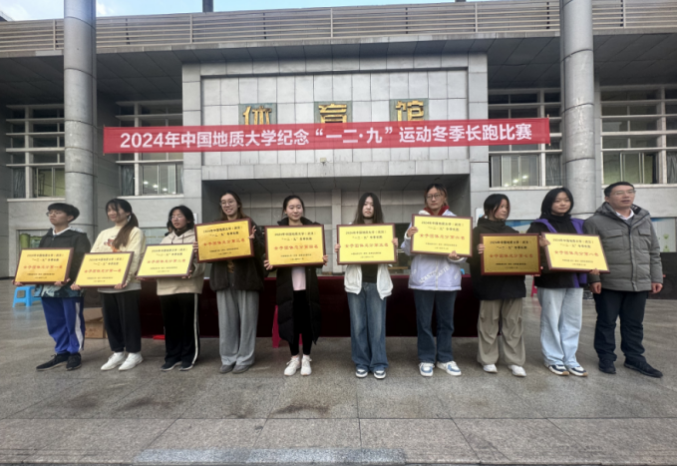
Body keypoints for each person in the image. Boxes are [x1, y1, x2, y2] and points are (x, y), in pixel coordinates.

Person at [584, 181, 664, 378]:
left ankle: (634, 358)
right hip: (609, 283)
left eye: (630, 192)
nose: (626, 196)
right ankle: (606, 357)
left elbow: (653, 251)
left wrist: (655, 277)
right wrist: (594, 278)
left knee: (634, 324)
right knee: (606, 322)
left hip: (639, 282)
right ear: (607, 198)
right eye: (619, 193)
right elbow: (590, 253)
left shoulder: (644, 219)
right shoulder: (594, 222)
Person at [15, 203, 91, 371]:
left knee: (72, 320)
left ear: (69, 217)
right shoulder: (46, 237)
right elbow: (38, 261)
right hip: (47, 287)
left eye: (57, 212)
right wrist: (23, 278)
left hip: (70, 287)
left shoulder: (78, 237)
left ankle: (74, 353)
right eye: (50, 212)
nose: (52, 215)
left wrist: (71, 278)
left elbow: (83, 260)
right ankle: (62, 352)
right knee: (54, 321)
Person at [74, 199, 146, 371]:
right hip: (105, 284)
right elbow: (93, 257)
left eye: (116, 210)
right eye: (109, 210)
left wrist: (126, 277)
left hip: (126, 285)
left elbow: (135, 255)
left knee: (129, 320)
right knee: (111, 320)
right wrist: (82, 279)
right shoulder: (104, 233)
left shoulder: (135, 232)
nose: (112, 213)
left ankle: (134, 353)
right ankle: (118, 352)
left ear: (127, 212)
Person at [402, 183, 466, 377]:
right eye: (429, 196)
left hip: (448, 280)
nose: (433, 199)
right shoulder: (418, 221)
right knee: (424, 322)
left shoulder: (455, 221)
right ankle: (426, 358)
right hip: (423, 280)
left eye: (437, 195)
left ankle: (445, 358)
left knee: (446, 322)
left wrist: (456, 257)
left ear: (444, 196)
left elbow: (463, 252)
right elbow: (407, 251)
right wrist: (408, 237)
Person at [527, 188, 589, 377]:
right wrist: (537, 246)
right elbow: (527, 253)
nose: (563, 203)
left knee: (573, 320)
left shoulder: (579, 225)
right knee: (551, 320)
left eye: (566, 200)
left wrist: (594, 265)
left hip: (575, 279)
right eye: (557, 200)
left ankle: (570, 359)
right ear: (549, 203)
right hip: (551, 280)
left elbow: (590, 249)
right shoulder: (538, 226)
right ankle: (553, 358)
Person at [335, 193, 397, 379]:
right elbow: (345, 259)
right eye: (365, 204)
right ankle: (361, 362)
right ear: (360, 207)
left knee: (377, 327)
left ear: (376, 208)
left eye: (372, 204)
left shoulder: (384, 230)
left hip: (377, 284)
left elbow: (391, 261)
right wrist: (340, 251)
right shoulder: (350, 229)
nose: (368, 207)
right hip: (356, 284)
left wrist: (393, 247)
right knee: (358, 326)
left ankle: (378, 363)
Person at [264, 195, 328, 376]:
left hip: (308, 286)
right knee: (290, 322)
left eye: (298, 207)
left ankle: (306, 357)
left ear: (302, 209)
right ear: (285, 210)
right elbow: (271, 259)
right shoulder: (278, 232)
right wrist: (270, 263)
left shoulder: (312, 230)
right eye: (291, 207)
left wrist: (322, 259)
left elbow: (317, 259)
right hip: (287, 287)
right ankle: (294, 359)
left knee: (307, 323)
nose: (295, 210)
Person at [468, 194, 527, 377]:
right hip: (489, 286)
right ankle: (488, 359)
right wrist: (477, 252)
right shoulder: (477, 232)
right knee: (488, 323)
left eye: (506, 207)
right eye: (500, 206)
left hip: (513, 284)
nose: (504, 210)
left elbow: (524, 259)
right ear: (489, 209)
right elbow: (469, 259)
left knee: (513, 324)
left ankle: (515, 361)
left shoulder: (513, 233)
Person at [210, 191, 266, 374]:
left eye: (230, 201)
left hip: (247, 278)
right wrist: (199, 249)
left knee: (248, 321)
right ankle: (228, 358)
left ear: (238, 203)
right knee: (226, 321)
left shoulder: (250, 224)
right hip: (223, 278)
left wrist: (253, 242)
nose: (227, 205)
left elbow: (262, 250)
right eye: (223, 202)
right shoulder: (215, 227)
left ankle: (245, 358)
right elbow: (209, 253)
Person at [155, 206, 205, 372]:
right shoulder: (165, 240)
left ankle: (189, 356)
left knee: (188, 324)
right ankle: (172, 356)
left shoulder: (196, 238)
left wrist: (192, 270)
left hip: (188, 287)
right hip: (166, 288)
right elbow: (156, 261)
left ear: (189, 219)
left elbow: (202, 262)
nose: (175, 219)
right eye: (173, 216)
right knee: (170, 325)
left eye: (179, 216)